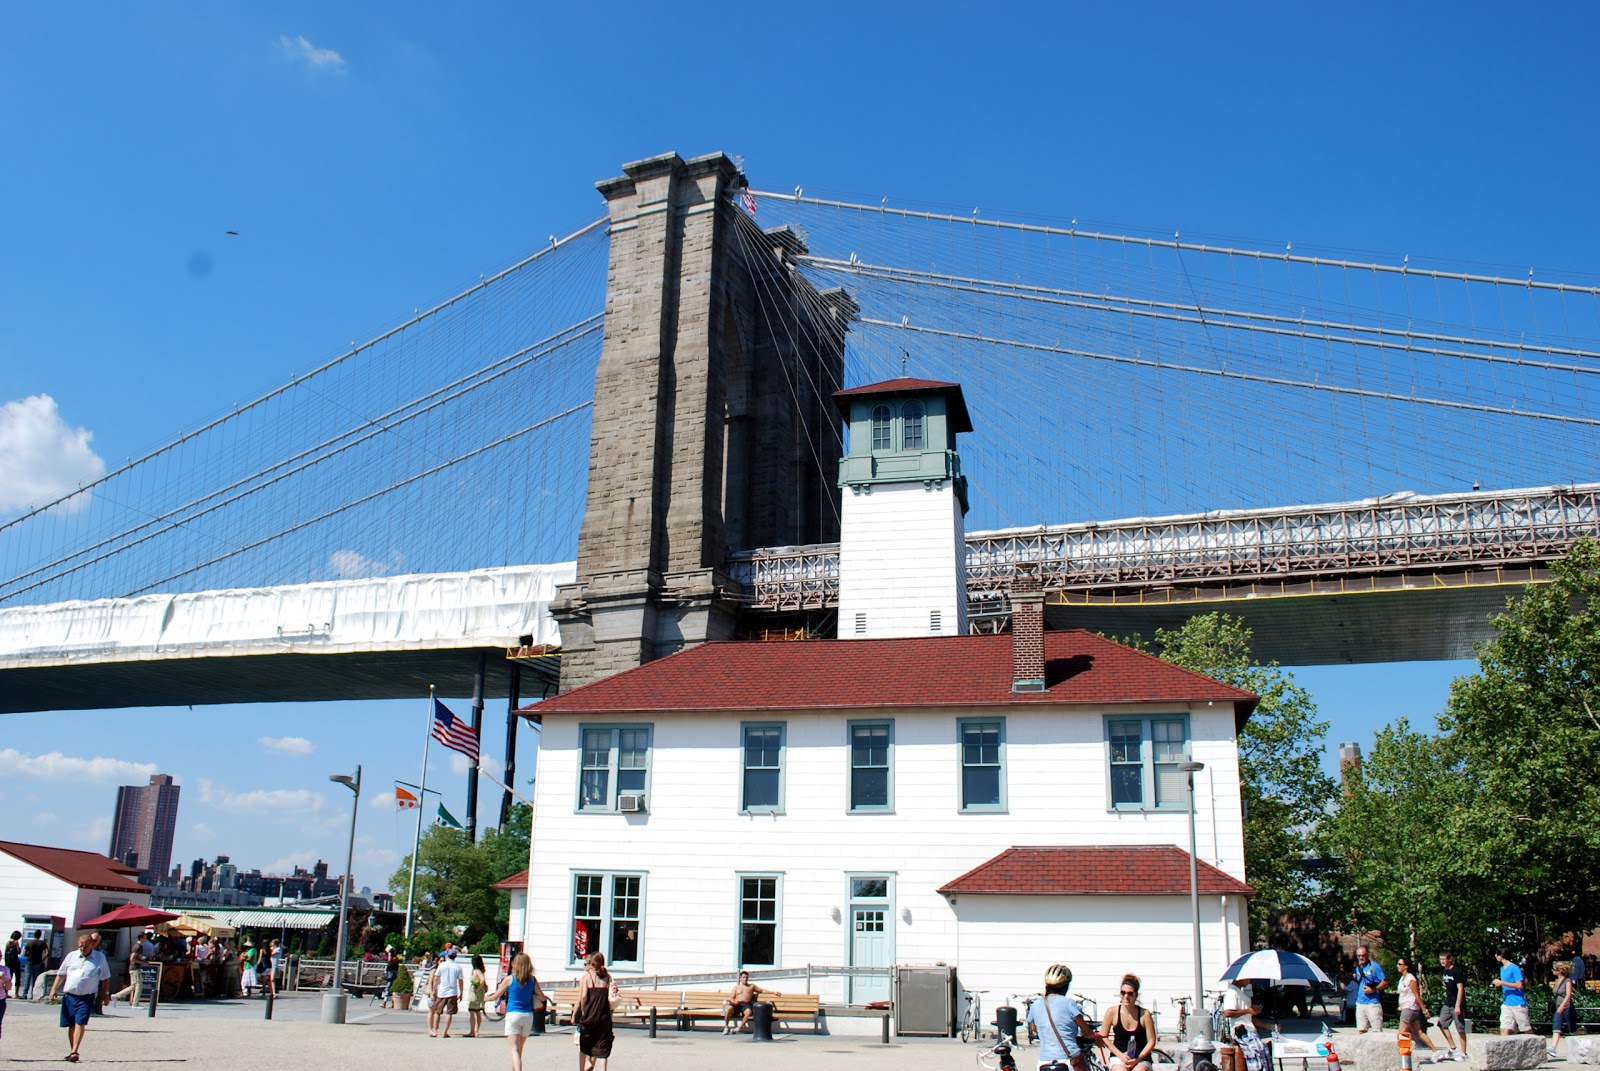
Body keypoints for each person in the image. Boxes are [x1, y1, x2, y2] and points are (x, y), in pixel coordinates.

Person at [49, 932, 110, 1064]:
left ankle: (75, 1051)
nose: (83, 949)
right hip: (69, 995)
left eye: (86, 947)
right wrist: (54, 989)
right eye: (81, 946)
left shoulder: (99, 958)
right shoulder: (71, 956)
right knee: (71, 1024)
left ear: (91, 945)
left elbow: (105, 978)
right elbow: (61, 974)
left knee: (80, 1022)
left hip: (86, 997)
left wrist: (106, 994)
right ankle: (72, 1050)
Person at [1025, 963, 1096, 1071]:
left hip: (1044, 1061)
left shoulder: (1035, 1005)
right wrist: (1094, 1036)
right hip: (1068, 1060)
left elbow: (1034, 1029)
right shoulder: (1069, 1004)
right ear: (1066, 986)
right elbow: (1086, 1031)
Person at [490, 952, 551, 1071]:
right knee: (519, 1049)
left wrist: (485, 998)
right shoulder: (532, 980)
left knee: (514, 1049)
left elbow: (496, 995)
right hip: (528, 1015)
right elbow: (542, 997)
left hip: (513, 1014)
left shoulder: (509, 979)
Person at [576, 951, 619, 1071]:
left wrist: (582, 1010)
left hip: (590, 1014)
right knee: (603, 1044)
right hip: (604, 1015)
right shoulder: (608, 977)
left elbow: (583, 996)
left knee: (585, 1043)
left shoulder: (586, 978)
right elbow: (612, 994)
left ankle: (584, 1067)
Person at [1102, 974, 1156, 1071]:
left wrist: (1138, 1058)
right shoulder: (1112, 1012)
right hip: (1119, 1057)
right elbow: (1103, 1036)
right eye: (1123, 993)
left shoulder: (1145, 1014)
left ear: (1136, 995)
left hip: (1141, 1058)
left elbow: (1151, 1041)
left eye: (1130, 993)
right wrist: (1120, 1055)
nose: (1126, 997)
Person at [1394, 957, 1442, 1063]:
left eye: (1399, 964)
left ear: (1406, 966)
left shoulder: (1410, 978)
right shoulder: (1402, 978)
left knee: (1402, 1032)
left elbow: (1416, 995)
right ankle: (1436, 1051)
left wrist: (1424, 1010)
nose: (1397, 966)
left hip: (1410, 1008)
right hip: (1405, 1007)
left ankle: (1403, 1054)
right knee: (1418, 1032)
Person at [1434, 951, 1468, 1062]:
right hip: (1447, 1003)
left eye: (1444, 959)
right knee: (1441, 1024)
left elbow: (1461, 989)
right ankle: (1453, 1048)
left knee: (1460, 1029)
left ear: (1449, 959)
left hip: (1456, 1004)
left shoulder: (1456, 971)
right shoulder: (1445, 971)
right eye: (1440, 959)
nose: (1442, 961)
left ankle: (1463, 1053)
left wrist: (1458, 1005)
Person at [721, 970, 779, 1034]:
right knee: (728, 1009)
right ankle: (726, 1027)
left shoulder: (751, 986)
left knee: (748, 1012)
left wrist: (773, 992)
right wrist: (734, 1002)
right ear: (740, 978)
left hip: (746, 1004)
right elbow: (731, 998)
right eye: (743, 977)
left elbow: (761, 990)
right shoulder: (736, 987)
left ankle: (738, 1028)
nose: (745, 979)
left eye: (746, 977)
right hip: (737, 1004)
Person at [1492, 948, 1531, 1036]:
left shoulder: (1514, 967)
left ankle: (1538, 1046)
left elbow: (1519, 985)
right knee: (1504, 1029)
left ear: (1501, 955)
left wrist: (1502, 983)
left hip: (1517, 1003)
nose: (1495, 956)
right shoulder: (1502, 969)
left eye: (1497, 954)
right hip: (1507, 1003)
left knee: (1526, 1029)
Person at [430, 948, 464, 1038]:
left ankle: (434, 1031)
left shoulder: (442, 965)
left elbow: (436, 978)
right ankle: (445, 1032)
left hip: (442, 991)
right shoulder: (458, 967)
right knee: (449, 1013)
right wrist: (461, 992)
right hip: (452, 992)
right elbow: (461, 981)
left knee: (437, 1012)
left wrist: (434, 990)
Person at [1352, 946, 1387, 1034]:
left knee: (1377, 1031)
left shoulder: (1374, 966)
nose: (1361, 958)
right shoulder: (1358, 968)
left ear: (1367, 955)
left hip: (1373, 1003)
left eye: (1363, 955)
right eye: (1359, 956)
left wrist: (1374, 989)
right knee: (1361, 1030)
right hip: (1360, 1003)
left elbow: (1385, 982)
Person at [1550, 960, 1574, 1060]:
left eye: (1554, 969)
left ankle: (1577, 1047)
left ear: (1560, 971)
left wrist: (1562, 1006)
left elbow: (1568, 995)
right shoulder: (1556, 981)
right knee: (1557, 1027)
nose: (1552, 971)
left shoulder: (1567, 981)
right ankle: (1553, 1048)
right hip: (1557, 1007)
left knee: (1572, 1028)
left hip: (1566, 1007)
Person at [468, 954, 489, 1037]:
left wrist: (478, 988)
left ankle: (473, 1030)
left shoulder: (477, 971)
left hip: (475, 992)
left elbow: (482, 980)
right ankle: (476, 1030)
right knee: (477, 1012)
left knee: (473, 1011)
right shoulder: (480, 970)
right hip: (479, 991)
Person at [22, 933, 47, 1002]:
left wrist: (28, 955)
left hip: (29, 963)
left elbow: (24, 953)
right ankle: (33, 994)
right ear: (40, 935)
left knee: (27, 978)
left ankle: (24, 994)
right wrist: (42, 960)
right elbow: (47, 953)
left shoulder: (29, 943)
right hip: (38, 963)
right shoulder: (42, 943)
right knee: (35, 979)